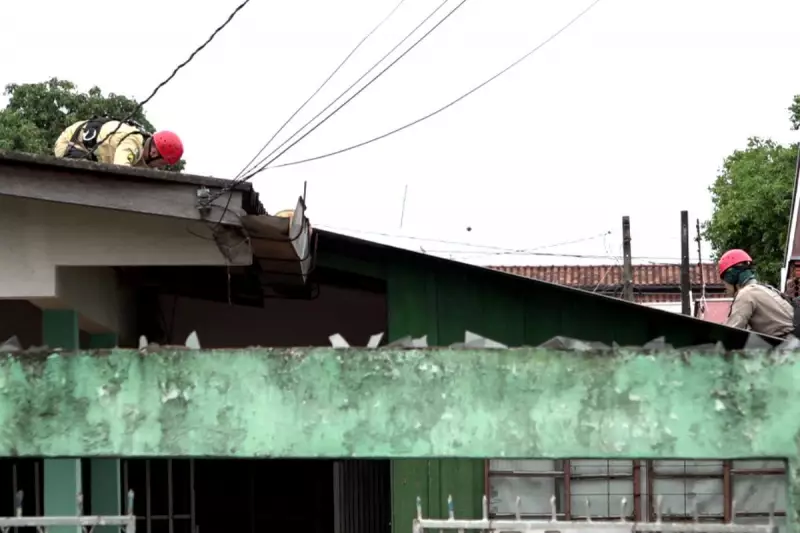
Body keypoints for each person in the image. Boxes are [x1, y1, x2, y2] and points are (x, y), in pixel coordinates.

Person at [718, 248, 797, 338]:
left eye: (724, 281)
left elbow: (731, 333)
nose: (725, 287)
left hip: (788, 346)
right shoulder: (765, 288)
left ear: (731, 276)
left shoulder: (746, 293)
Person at [54, 117, 183, 169]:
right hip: (71, 144)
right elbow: (121, 170)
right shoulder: (133, 144)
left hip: (90, 150)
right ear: (154, 152)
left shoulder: (144, 148)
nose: (160, 167)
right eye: (162, 162)